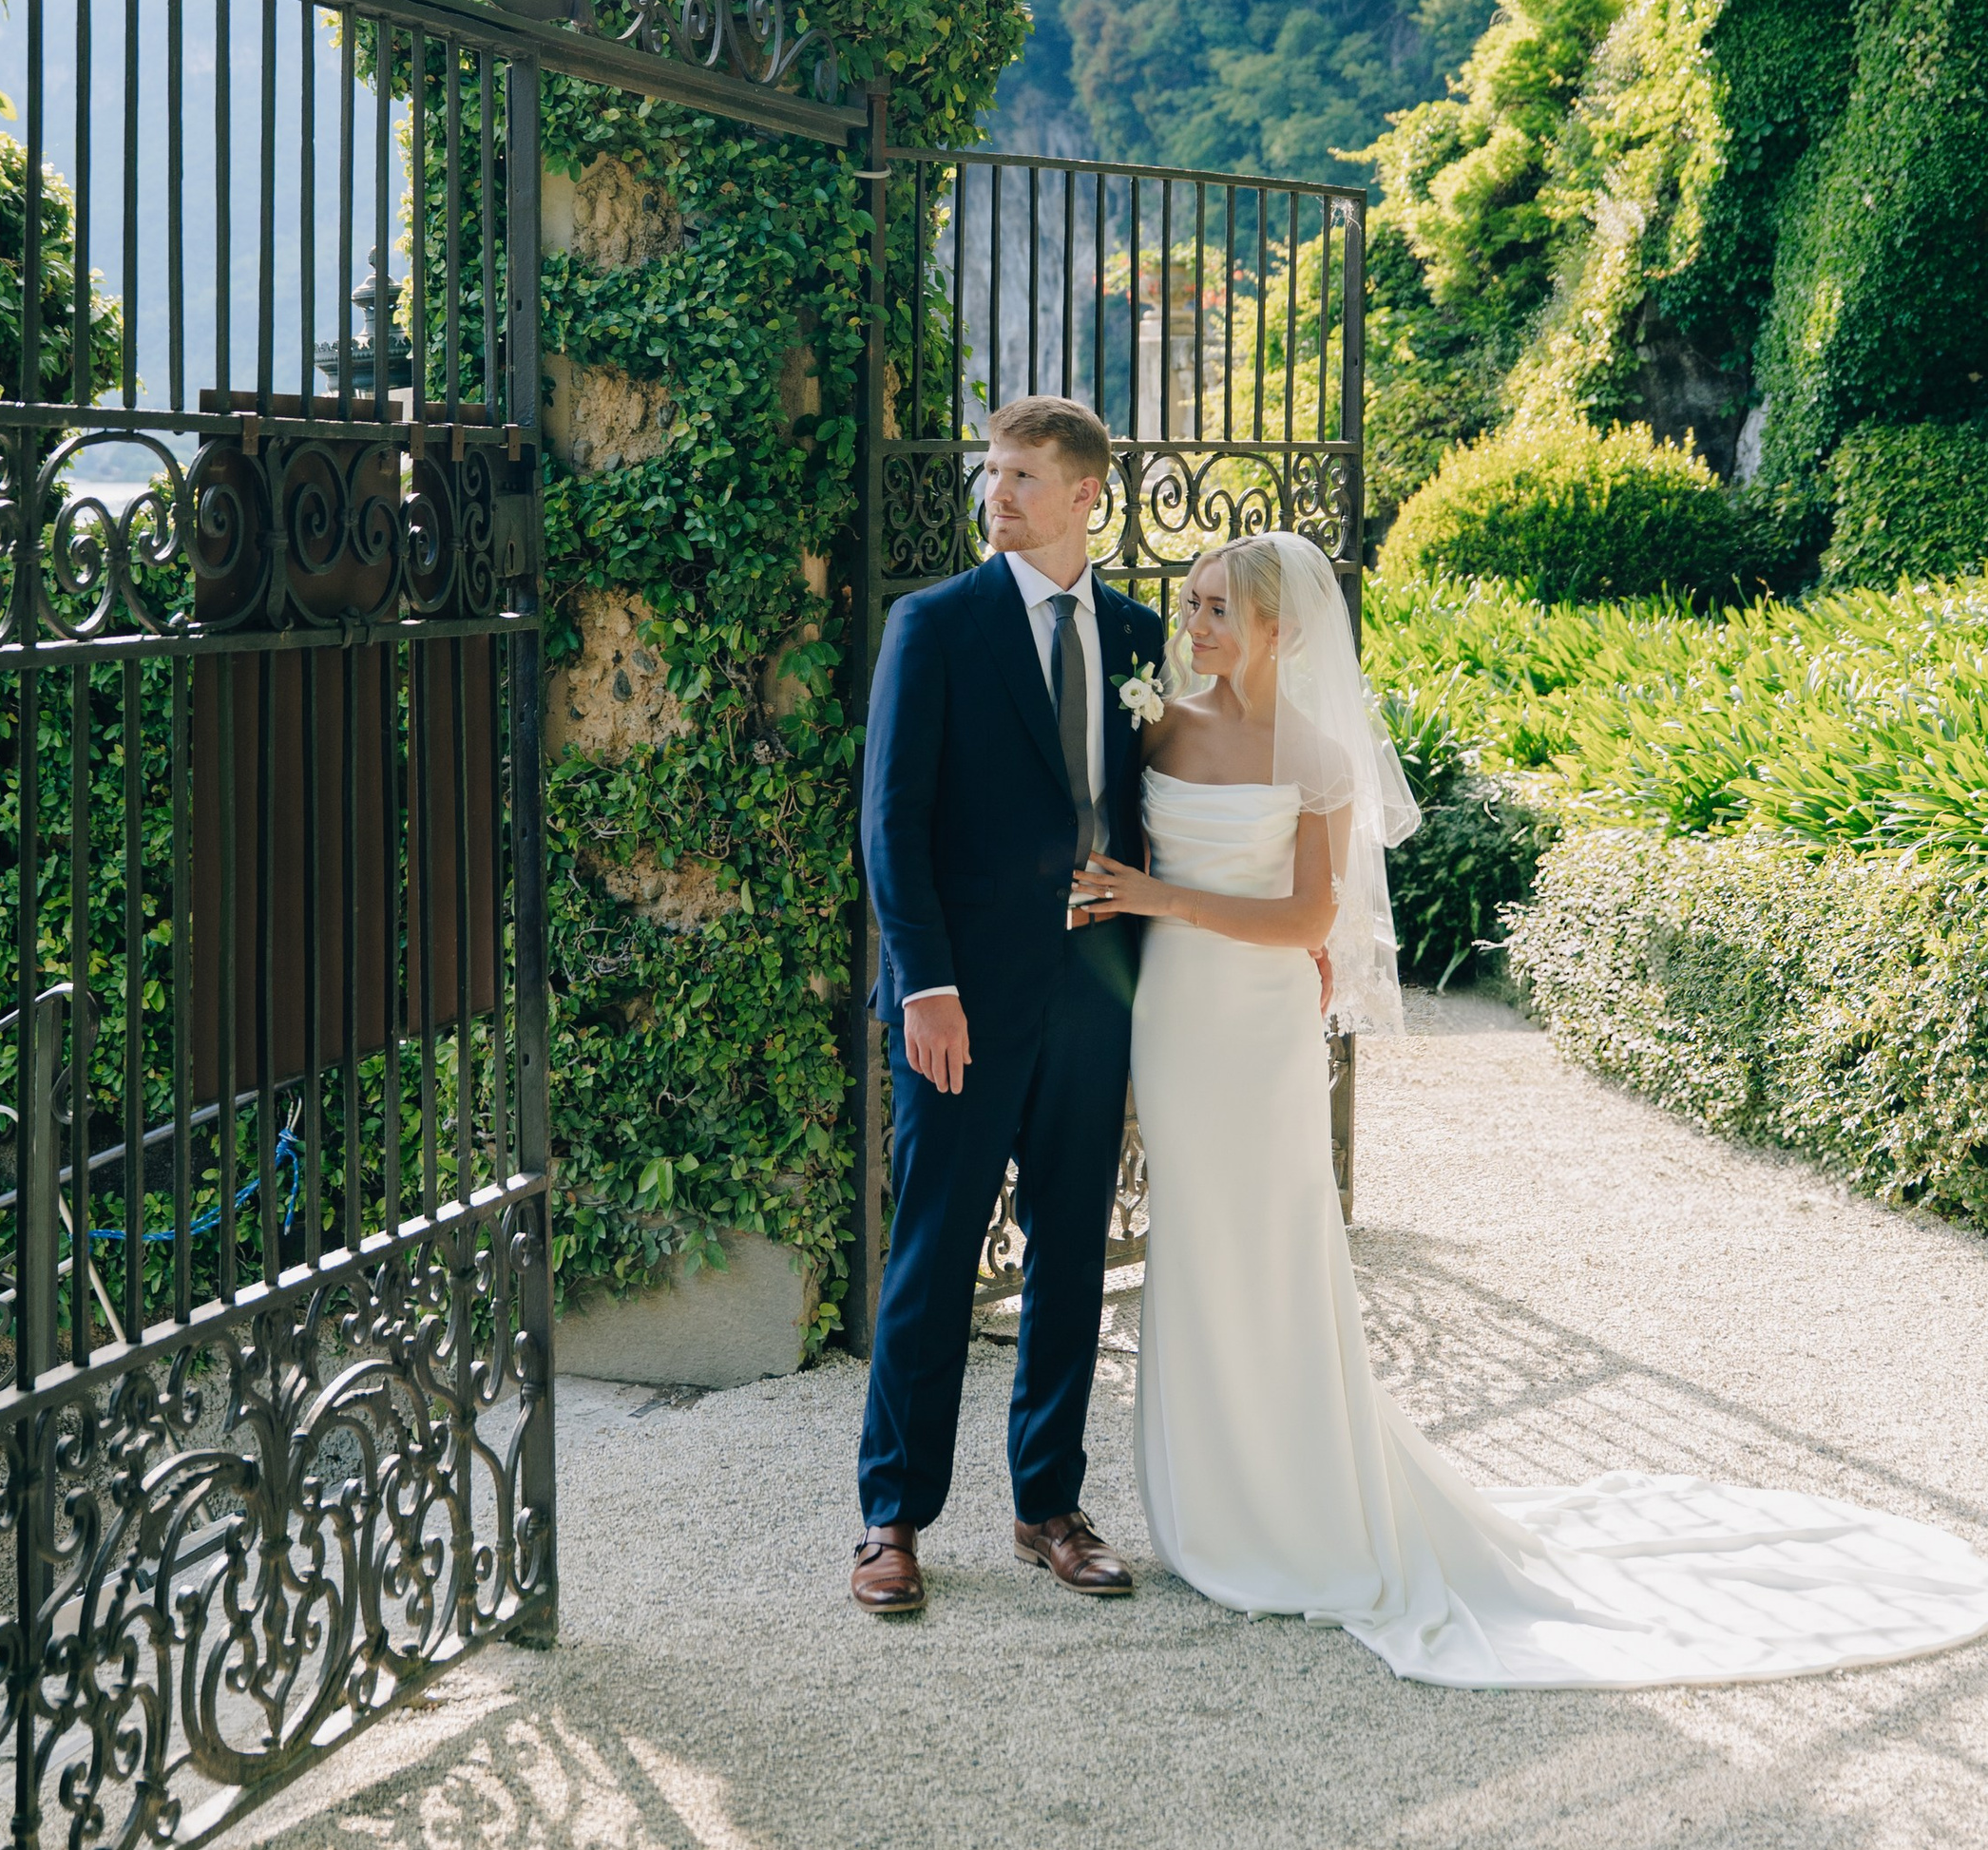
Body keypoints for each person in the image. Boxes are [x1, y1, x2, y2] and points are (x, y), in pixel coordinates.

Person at [1070, 529, 1988, 1686]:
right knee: (1195, 1244)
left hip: (1256, 1026)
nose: (1192, 623)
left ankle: (1296, 1506)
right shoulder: (1159, 720)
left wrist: (1161, 894)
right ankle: (1209, 1502)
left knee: (1278, 1248)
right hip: (1172, 1020)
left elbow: (1310, 922)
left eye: (1215, 609)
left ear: (1278, 629)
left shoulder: (1313, 755)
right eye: (1190, 602)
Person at [850, 396, 1166, 1614]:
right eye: (994, 470)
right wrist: (924, 985)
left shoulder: (1139, 635)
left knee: (1074, 1252)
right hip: (958, 1006)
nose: (1000, 491)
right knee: (931, 1256)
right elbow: (892, 824)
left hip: (1093, 996)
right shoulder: (932, 624)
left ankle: (1049, 1505)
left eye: (1025, 473)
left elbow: (1154, 814)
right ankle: (892, 1517)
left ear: (1087, 493)